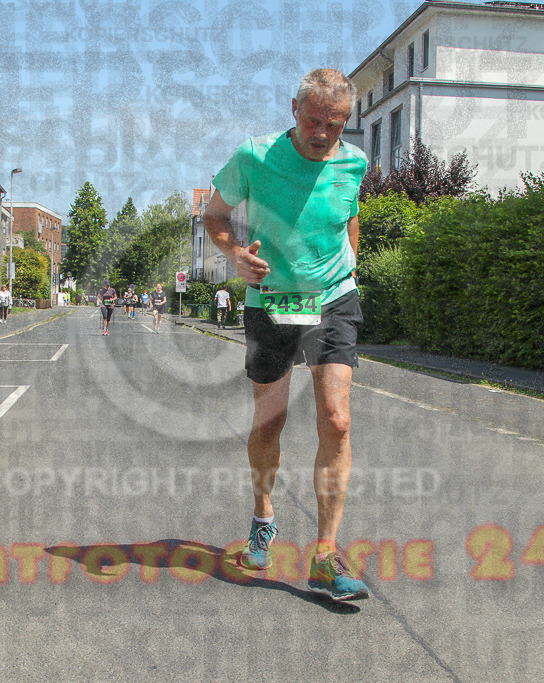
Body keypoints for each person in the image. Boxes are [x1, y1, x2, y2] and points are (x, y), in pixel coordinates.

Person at [203, 68, 369, 602]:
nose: (323, 133)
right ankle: (263, 517)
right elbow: (216, 215)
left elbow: (349, 218)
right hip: (273, 301)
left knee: (337, 421)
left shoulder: (354, 162)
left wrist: (349, 271)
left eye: (336, 124)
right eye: (315, 120)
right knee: (270, 422)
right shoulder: (253, 156)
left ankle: (324, 555)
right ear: (294, 108)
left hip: (332, 300)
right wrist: (234, 254)